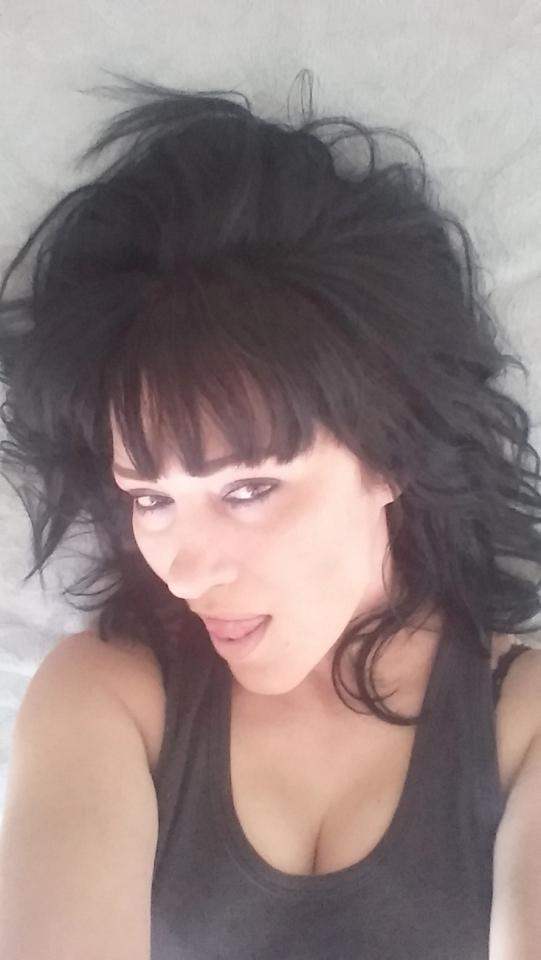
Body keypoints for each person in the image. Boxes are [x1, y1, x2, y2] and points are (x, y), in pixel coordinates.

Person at [0, 70, 540, 960]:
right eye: (149, 498)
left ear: (391, 451)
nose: (184, 571)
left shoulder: (516, 722)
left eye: (248, 489)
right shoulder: (108, 698)